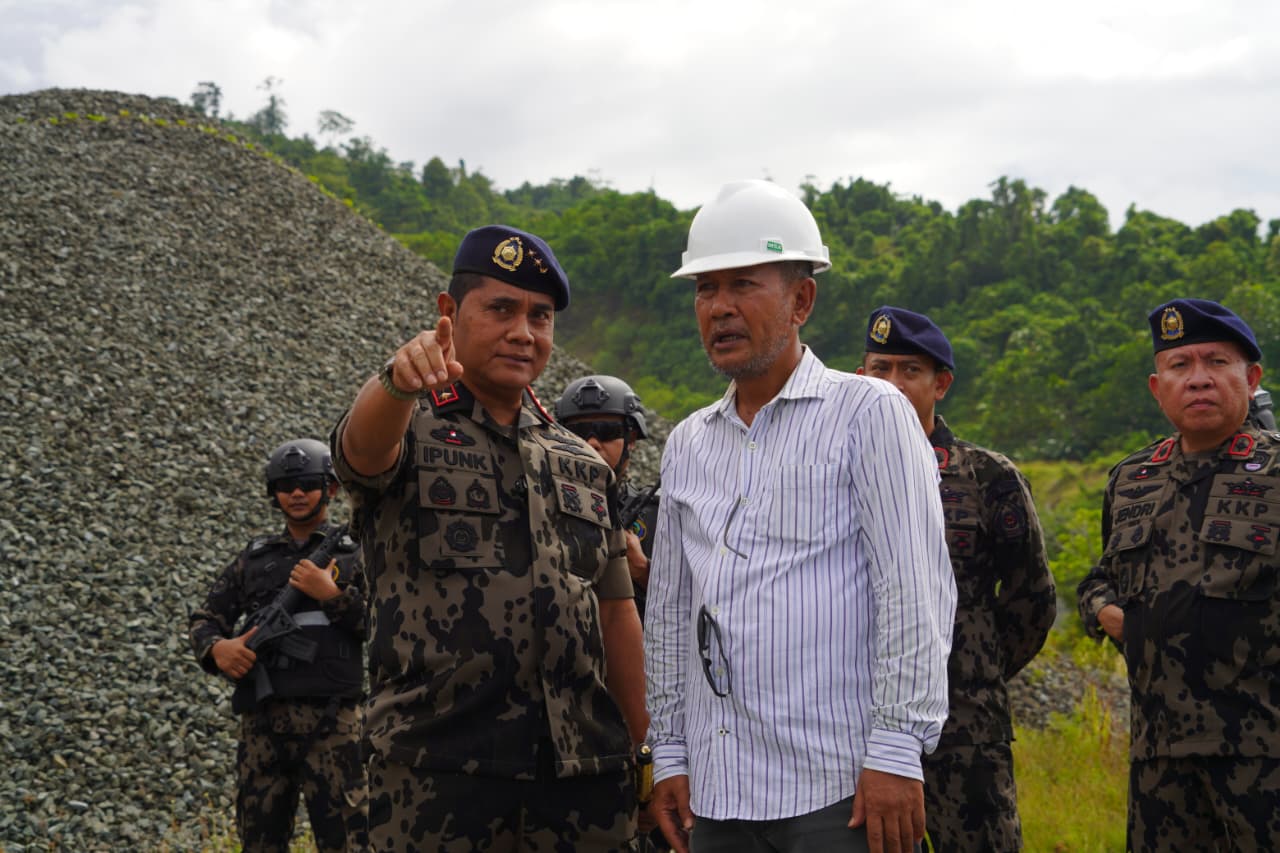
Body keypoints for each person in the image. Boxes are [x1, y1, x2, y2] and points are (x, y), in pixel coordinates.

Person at [643, 179, 956, 853]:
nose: (719, 307)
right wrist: (668, 751)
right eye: (705, 288)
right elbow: (669, 612)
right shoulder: (689, 443)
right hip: (718, 793)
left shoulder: (869, 414)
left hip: (836, 790)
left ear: (802, 300)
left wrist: (899, 746)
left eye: (742, 285)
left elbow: (915, 589)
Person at [331, 224, 648, 851]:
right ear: (450, 312)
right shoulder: (411, 423)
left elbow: (614, 613)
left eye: (541, 316)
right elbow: (360, 452)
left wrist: (646, 754)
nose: (523, 332)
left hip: (581, 780)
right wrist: (396, 379)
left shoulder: (579, 458)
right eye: (501, 309)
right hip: (437, 777)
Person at [1077, 298, 1280, 851]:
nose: (1198, 380)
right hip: (1159, 759)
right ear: (1156, 386)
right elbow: (1100, 577)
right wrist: (1104, 611)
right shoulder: (1132, 480)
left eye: (1216, 363)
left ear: (1251, 377)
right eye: (1180, 366)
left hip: (1263, 756)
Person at [857, 306, 1056, 852]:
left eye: (910, 371)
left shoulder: (987, 476)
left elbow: (1031, 601)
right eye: (880, 369)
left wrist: (972, 669)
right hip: (855, 727)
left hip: (965, 731)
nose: (893, 385)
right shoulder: (833, 473)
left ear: (940, 384)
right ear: (859, 377)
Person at [189, 438, 368, 853]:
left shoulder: (356, 556)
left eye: (307, 482)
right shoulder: (253, 560)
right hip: (262, 726)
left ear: (331, 489)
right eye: (286, 485)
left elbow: (379, 627)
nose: (297, 493)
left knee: (347, 840)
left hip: (333, 725)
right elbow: (205, 618)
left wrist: (330, 594)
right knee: (259, 839)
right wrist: (218, 649)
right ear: (274, 493)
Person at [556, 374, 660, 618]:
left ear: (631, 439)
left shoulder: (658, 514)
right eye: (578, 431)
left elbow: (696, 602)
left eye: (607, 430)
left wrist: (643, 571)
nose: (591, 442)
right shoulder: (539, 506)